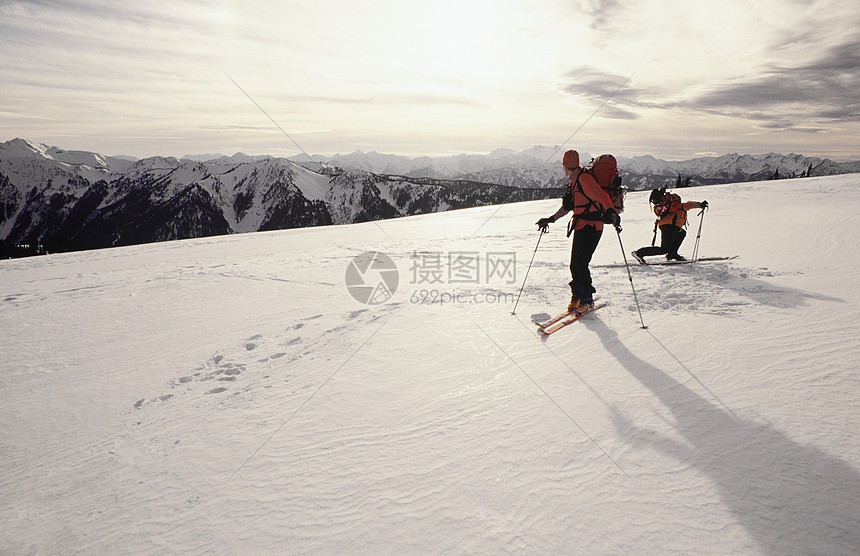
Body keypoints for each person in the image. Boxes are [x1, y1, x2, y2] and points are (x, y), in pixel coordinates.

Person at [535, 150, 619, 313]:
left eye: (563, 165)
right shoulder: (575, 181)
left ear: (565, 165)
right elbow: (569, 207)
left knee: (580, 264)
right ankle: (577, 295)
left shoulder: (584, 179)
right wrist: (550, 219)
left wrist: (611, 212)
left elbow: (600, 195)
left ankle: (587, 299)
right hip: (582, 225)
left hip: (592, 226)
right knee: (575, 264)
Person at [632, 188, 708, 263]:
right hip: (670, 226)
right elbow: (689, 205)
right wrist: (700, 205)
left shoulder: (668, 206)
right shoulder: (679, 206)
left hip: (670, 226)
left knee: (682, 233)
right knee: (664, 249)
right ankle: (639, 253)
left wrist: (700, 205)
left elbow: (689, 205)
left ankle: (672, 253)